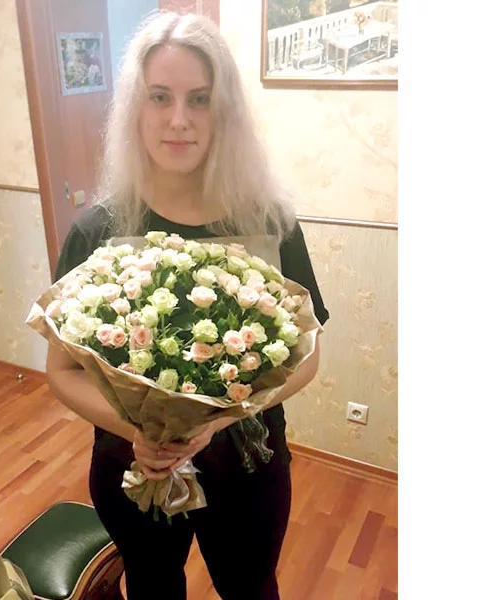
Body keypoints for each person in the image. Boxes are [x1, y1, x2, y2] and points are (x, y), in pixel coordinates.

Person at [46, 11, 329, 600]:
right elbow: (62, 371)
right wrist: (140, 432)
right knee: (152, 587)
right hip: (133, 465)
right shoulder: (96, 231)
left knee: (250, 588)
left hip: (248, 465)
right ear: (136, 107)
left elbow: (306, 356)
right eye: (160, 97)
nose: (179, 119)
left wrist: (218, 419)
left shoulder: (270, 224)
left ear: (224, 112)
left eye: (199, 99)